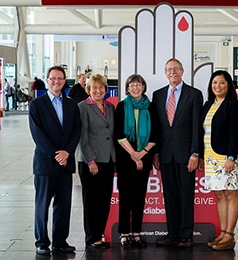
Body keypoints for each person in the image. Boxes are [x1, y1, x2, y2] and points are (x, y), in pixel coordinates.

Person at [28, 66, 81, 255]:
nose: (56, 81)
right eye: (52, 78)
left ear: (65, 81)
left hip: (65, 164)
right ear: (47, 80)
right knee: (42, 204)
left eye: (60, 78)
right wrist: (56, 155)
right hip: (45, 164)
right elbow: (38, 135)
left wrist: (67, 152)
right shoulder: (36, 105)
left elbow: (77, 130)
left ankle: (60, 241)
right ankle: (41, 242)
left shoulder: (71, 105)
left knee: (63, 204)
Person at [152, 58, 203, 248]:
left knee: (185, 195)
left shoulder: (194, 94)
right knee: (170, 195)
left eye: (176, 69)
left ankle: (186, 234)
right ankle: (172, 233)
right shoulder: (157, 95)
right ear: (165, 73)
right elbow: (156, 128)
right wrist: (156, 152)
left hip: (186, 155)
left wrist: (195, 153)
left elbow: (197, 127)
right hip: (165, 154)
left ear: (182, 71)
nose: (172, 72)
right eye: (169, 69)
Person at [202, 70, 238, 251]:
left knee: (230, 193)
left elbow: (235, 133)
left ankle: (230, 234)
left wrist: (231, 157)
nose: (217, 86)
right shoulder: (208, 104)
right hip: (210, 157)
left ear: (229, 86)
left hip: (227, 156)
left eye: (222, 83)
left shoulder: (233, 105)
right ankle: (222, 233)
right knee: (219, 194)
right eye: (214, 83)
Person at [115, 74, 156, 249]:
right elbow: (118, 134)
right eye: (132, 84)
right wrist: (134, 154)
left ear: (144, 86)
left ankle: (137, 232)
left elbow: (156, 135)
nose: (135, 87)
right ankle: (124, 233)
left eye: (139, 84)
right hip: (125, 158)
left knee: (139, 197)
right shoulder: (122, 106)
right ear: (127, 88)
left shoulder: (151, 107)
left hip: (145, 158)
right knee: (125, 197)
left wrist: (142, 154)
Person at [77, 74, 116, 249]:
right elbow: (82, 137)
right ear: (89, 89)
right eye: (94, 88)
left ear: (106, 90)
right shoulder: (82, 107)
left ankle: (99, 234)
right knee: (91, 201)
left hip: (107, 160)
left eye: (101, 88)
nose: (98, 91)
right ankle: (91, 237)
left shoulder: (110, 107)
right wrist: (90, 161)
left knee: (104, 200)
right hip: (90, 162)